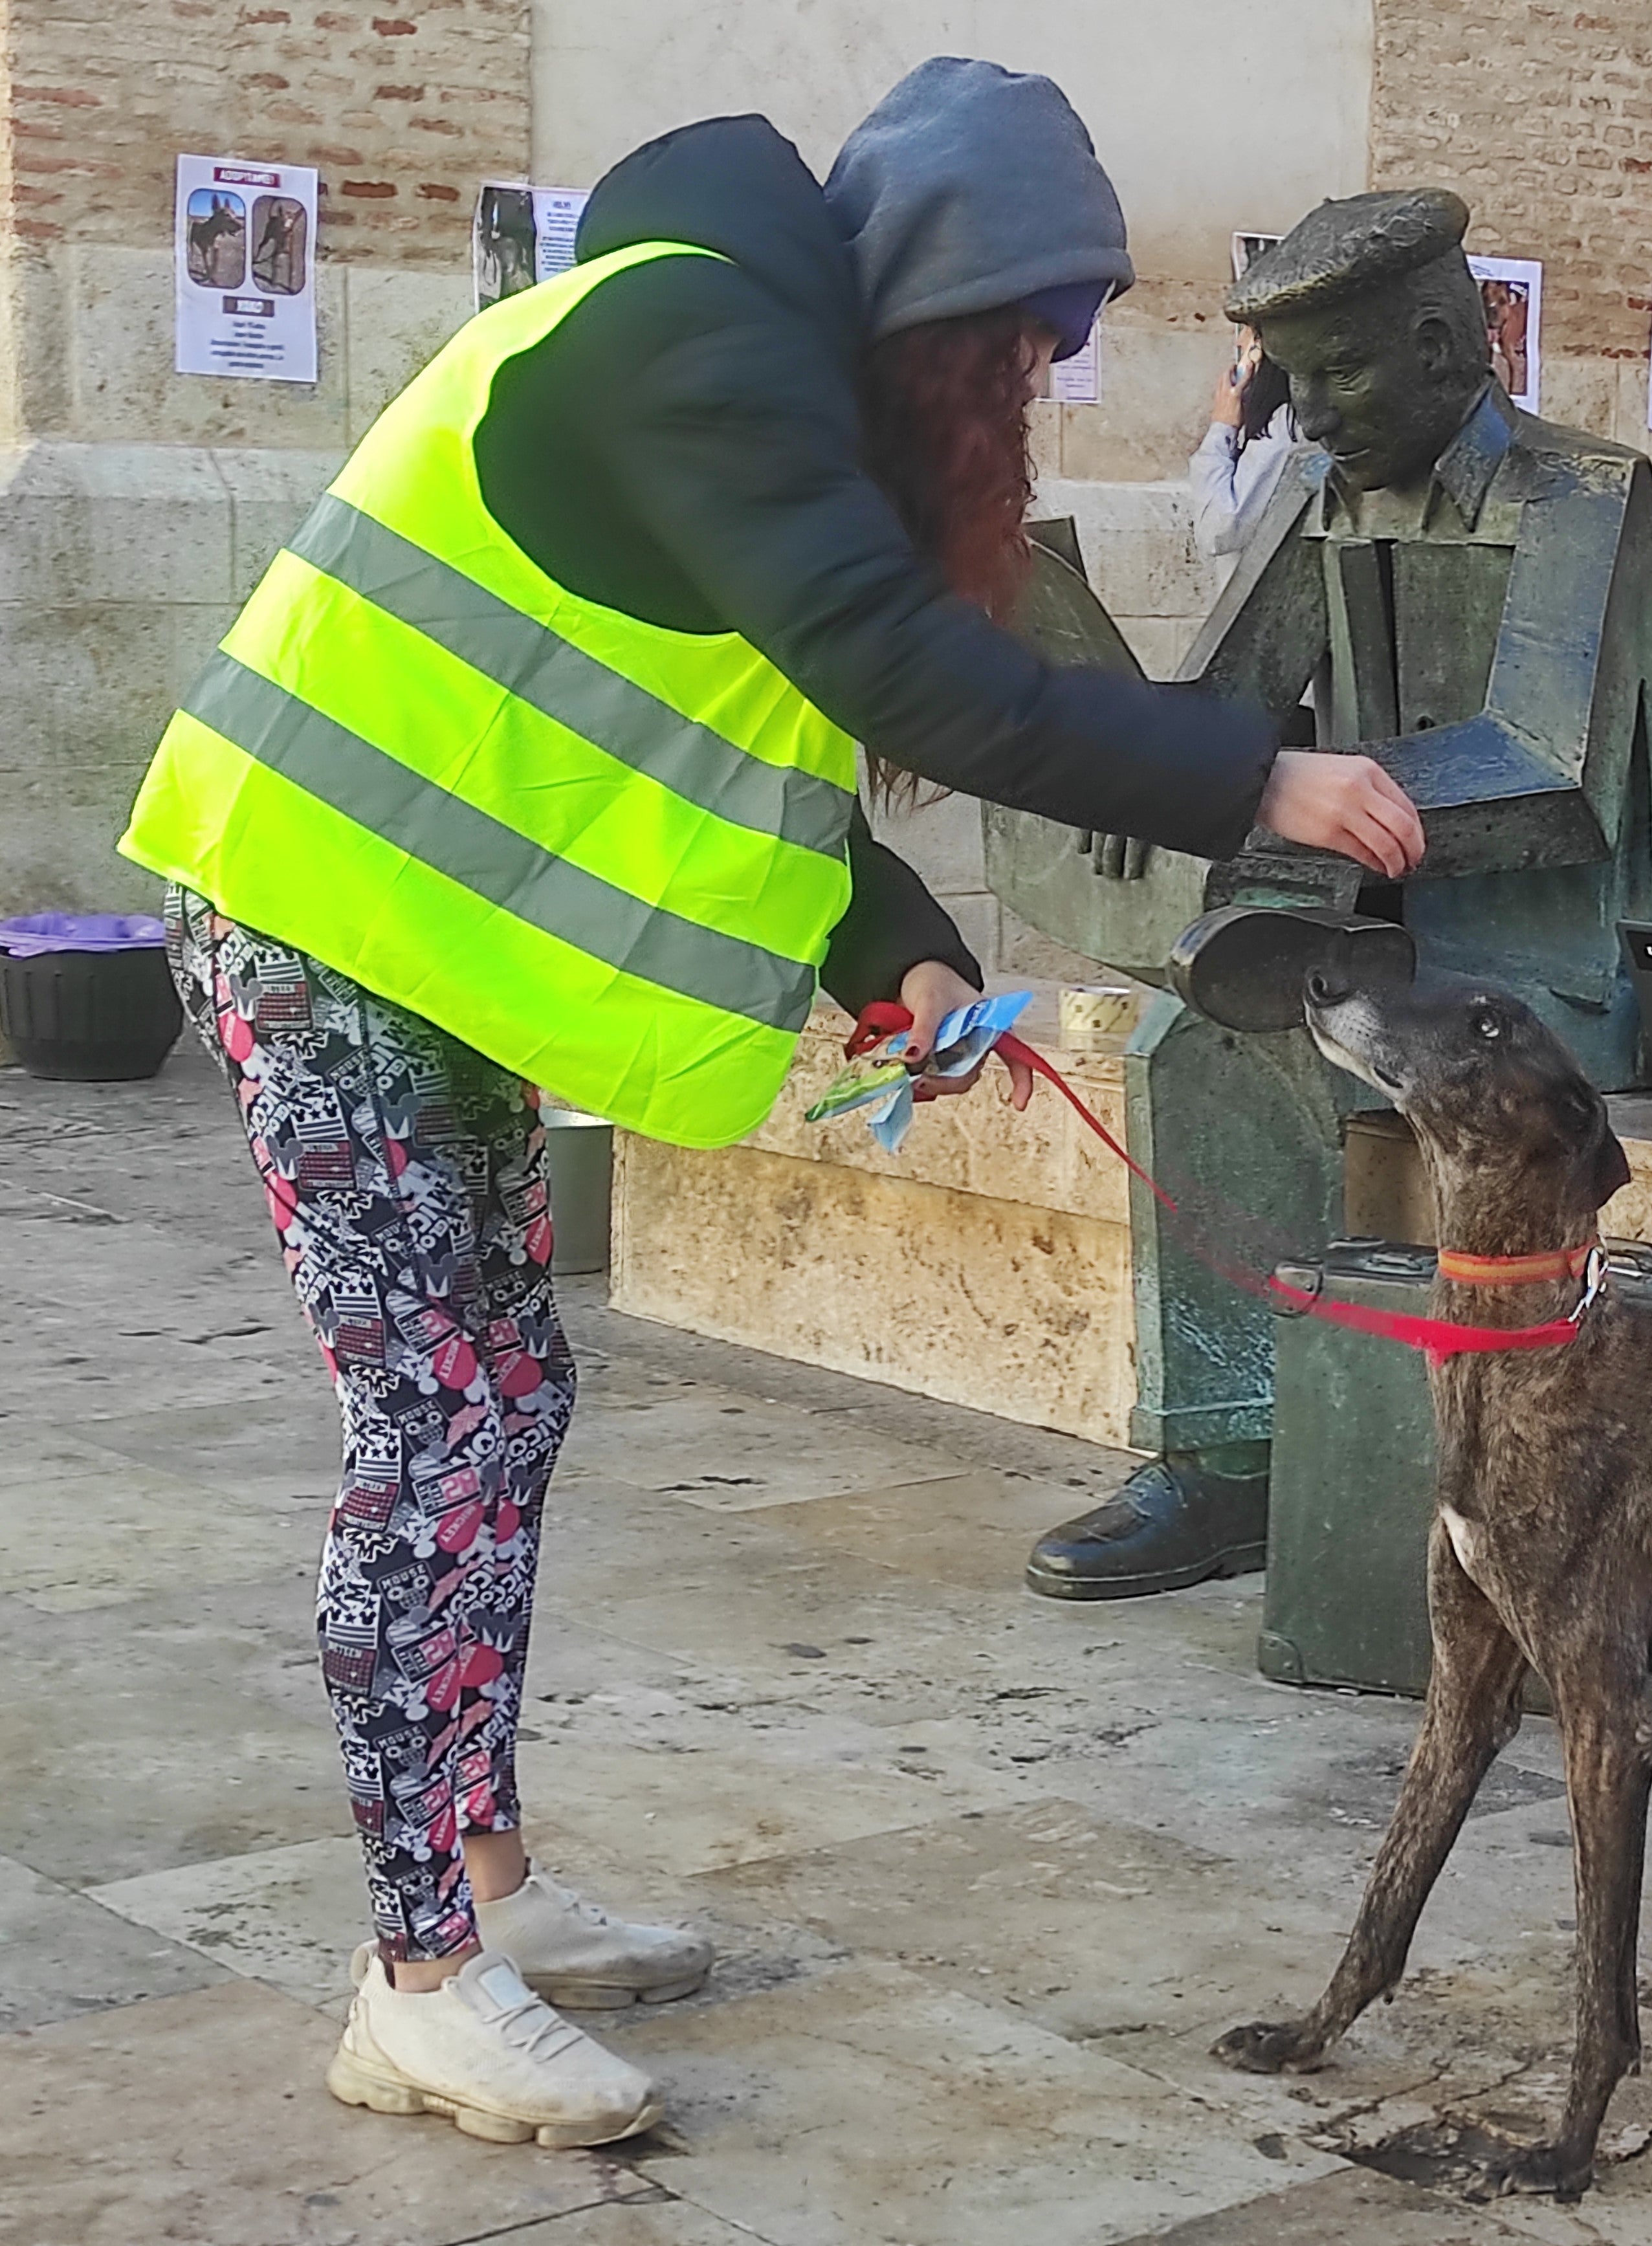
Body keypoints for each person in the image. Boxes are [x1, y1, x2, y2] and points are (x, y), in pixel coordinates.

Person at [116, 57, 1424, 2150]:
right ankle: (416, 1977)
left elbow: (778, 750)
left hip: (411, 946)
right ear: (941, 294)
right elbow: (900, 673)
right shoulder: (695, 334)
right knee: (435, 1428)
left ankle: (486, 1885)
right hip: (310, 918)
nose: (1033, 391)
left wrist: (906, 965)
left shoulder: (761, 376)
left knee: (500, 1402)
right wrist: (1249, 773)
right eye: (1023, 346)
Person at [1017, 188, 1652, 1601]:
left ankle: (1349, 1471)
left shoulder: (1584, 496)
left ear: (1443, 345)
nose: (1310, 416)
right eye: (1291, 383)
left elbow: (1547, 769)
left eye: (1339, 374)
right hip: (1369, 944)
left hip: (1552, 965)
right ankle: (1226, 1460)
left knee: (1245, 1025)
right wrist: (1125, 760)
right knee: (1197, 1028)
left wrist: (1314, 811)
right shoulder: (1314, 494)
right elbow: (1229, 703)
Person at [1188, 325, 1305, 564]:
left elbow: (1217, 530)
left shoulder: (1286, 427)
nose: (1240, 340)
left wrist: (1222, 427)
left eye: (1248, 329)